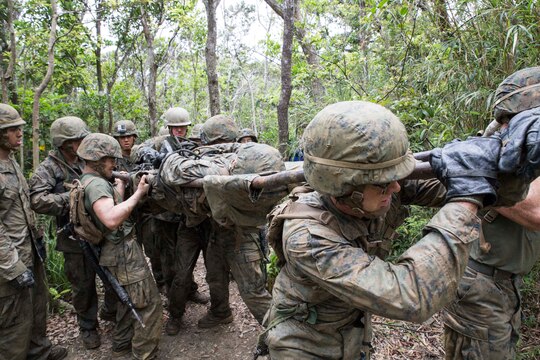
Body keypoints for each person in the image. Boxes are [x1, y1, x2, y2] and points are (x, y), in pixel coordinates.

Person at [262, 100, 518, 359]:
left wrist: (500, 160)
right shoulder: (307, 237)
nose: (396, 188)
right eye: (385, 184)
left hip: (352, 333)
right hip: (304, 345)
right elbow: (412, 296)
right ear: (345, 188)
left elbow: (491, 191)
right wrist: (467, 198)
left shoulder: (373, 190)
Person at [443, 67, 540, 360]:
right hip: (481, 285)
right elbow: (536, 213)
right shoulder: (494, 155)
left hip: (502, 282)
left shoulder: (521, 152)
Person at [29, 116, 117, 350]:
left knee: (112, 275)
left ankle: (111, 313)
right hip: (73, 238)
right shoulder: (49, 168)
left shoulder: (86, 160)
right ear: (64, 142)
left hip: (99, 231)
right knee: (83, 285)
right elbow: (37, 200)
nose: (82, 142)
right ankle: (88, 327)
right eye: (77, 139)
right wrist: (73, 198)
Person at [76, 133, 162, 359]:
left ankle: (121, 345)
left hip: (112, 251)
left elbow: (108, 207)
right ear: (97, 160)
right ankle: (145, 353)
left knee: (128, 301)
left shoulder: (87, 180)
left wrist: (121, 188)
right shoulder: (95, 185)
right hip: (122, 252)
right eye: (110, 159)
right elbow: (112, 219)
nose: (114, 163)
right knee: (148, 303)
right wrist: (140, 194)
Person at [0, 104, 67, 360]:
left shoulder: (11, 160)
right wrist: (13, 266)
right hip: (10, 261)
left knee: (37, 307)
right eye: (12, 129)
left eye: (19, 128)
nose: (19, 133)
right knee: (13, 322)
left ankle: (38, 352)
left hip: (29, 250)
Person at [197, 114, 272, 326]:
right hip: (217, 231)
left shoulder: (246, 159)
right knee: (215, 277)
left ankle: (281, 336)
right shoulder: (208, 158)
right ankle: (220, 312)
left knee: (253, 292)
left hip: (243, 235)